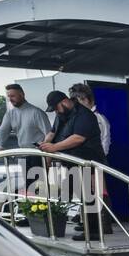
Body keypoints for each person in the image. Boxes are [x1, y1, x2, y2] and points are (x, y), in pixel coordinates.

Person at [39, 90, 109, 240]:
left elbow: (78, 138)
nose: (56, 111)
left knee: (90, 196)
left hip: (89, 160)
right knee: (79, 194)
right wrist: (45, 145)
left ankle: (95, 231)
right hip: (72, 163)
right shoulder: (61, 115)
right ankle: (89, 228)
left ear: (64, 101)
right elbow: (52, 133)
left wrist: (54, 148)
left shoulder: (85, 115)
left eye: (57, 107)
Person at [0, 84, 51, 151]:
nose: (10, 99)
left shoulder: (37, 113)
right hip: (22, 153)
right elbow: (2, 132)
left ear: (22, 95)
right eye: (8, 97)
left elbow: (49, 134)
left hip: (37, 153)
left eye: (12, 96)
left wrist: (46, 152)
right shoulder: (10, 114)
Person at [67, 82, 111, 158]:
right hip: (92, 162)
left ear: (86, 100)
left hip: (91, 163)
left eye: (77, 101)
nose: (75, 105)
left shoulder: (95, 118)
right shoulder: (99, 118)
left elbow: (103, 145)